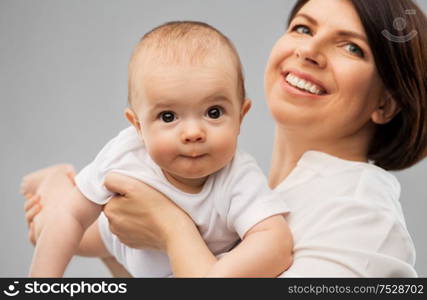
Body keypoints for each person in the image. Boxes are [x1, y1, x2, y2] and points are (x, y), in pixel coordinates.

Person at [24, 0, 427, 277]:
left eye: (351, 48)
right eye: (302, 28)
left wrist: (169, 226)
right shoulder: (261, 188)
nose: (309, 51)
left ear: (386, 104)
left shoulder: (360, 213)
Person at [23, 21, 293, 278]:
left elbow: (275, 243)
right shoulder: (126, 155)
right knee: (52, 223)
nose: (193, 133)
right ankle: (55, 179)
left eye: (213, 112)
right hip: (115, 234)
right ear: (138, 126)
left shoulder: (239, 178)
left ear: (240, 117)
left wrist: (216, 277)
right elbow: (70, 216)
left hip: (169, 266)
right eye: (168, 116)